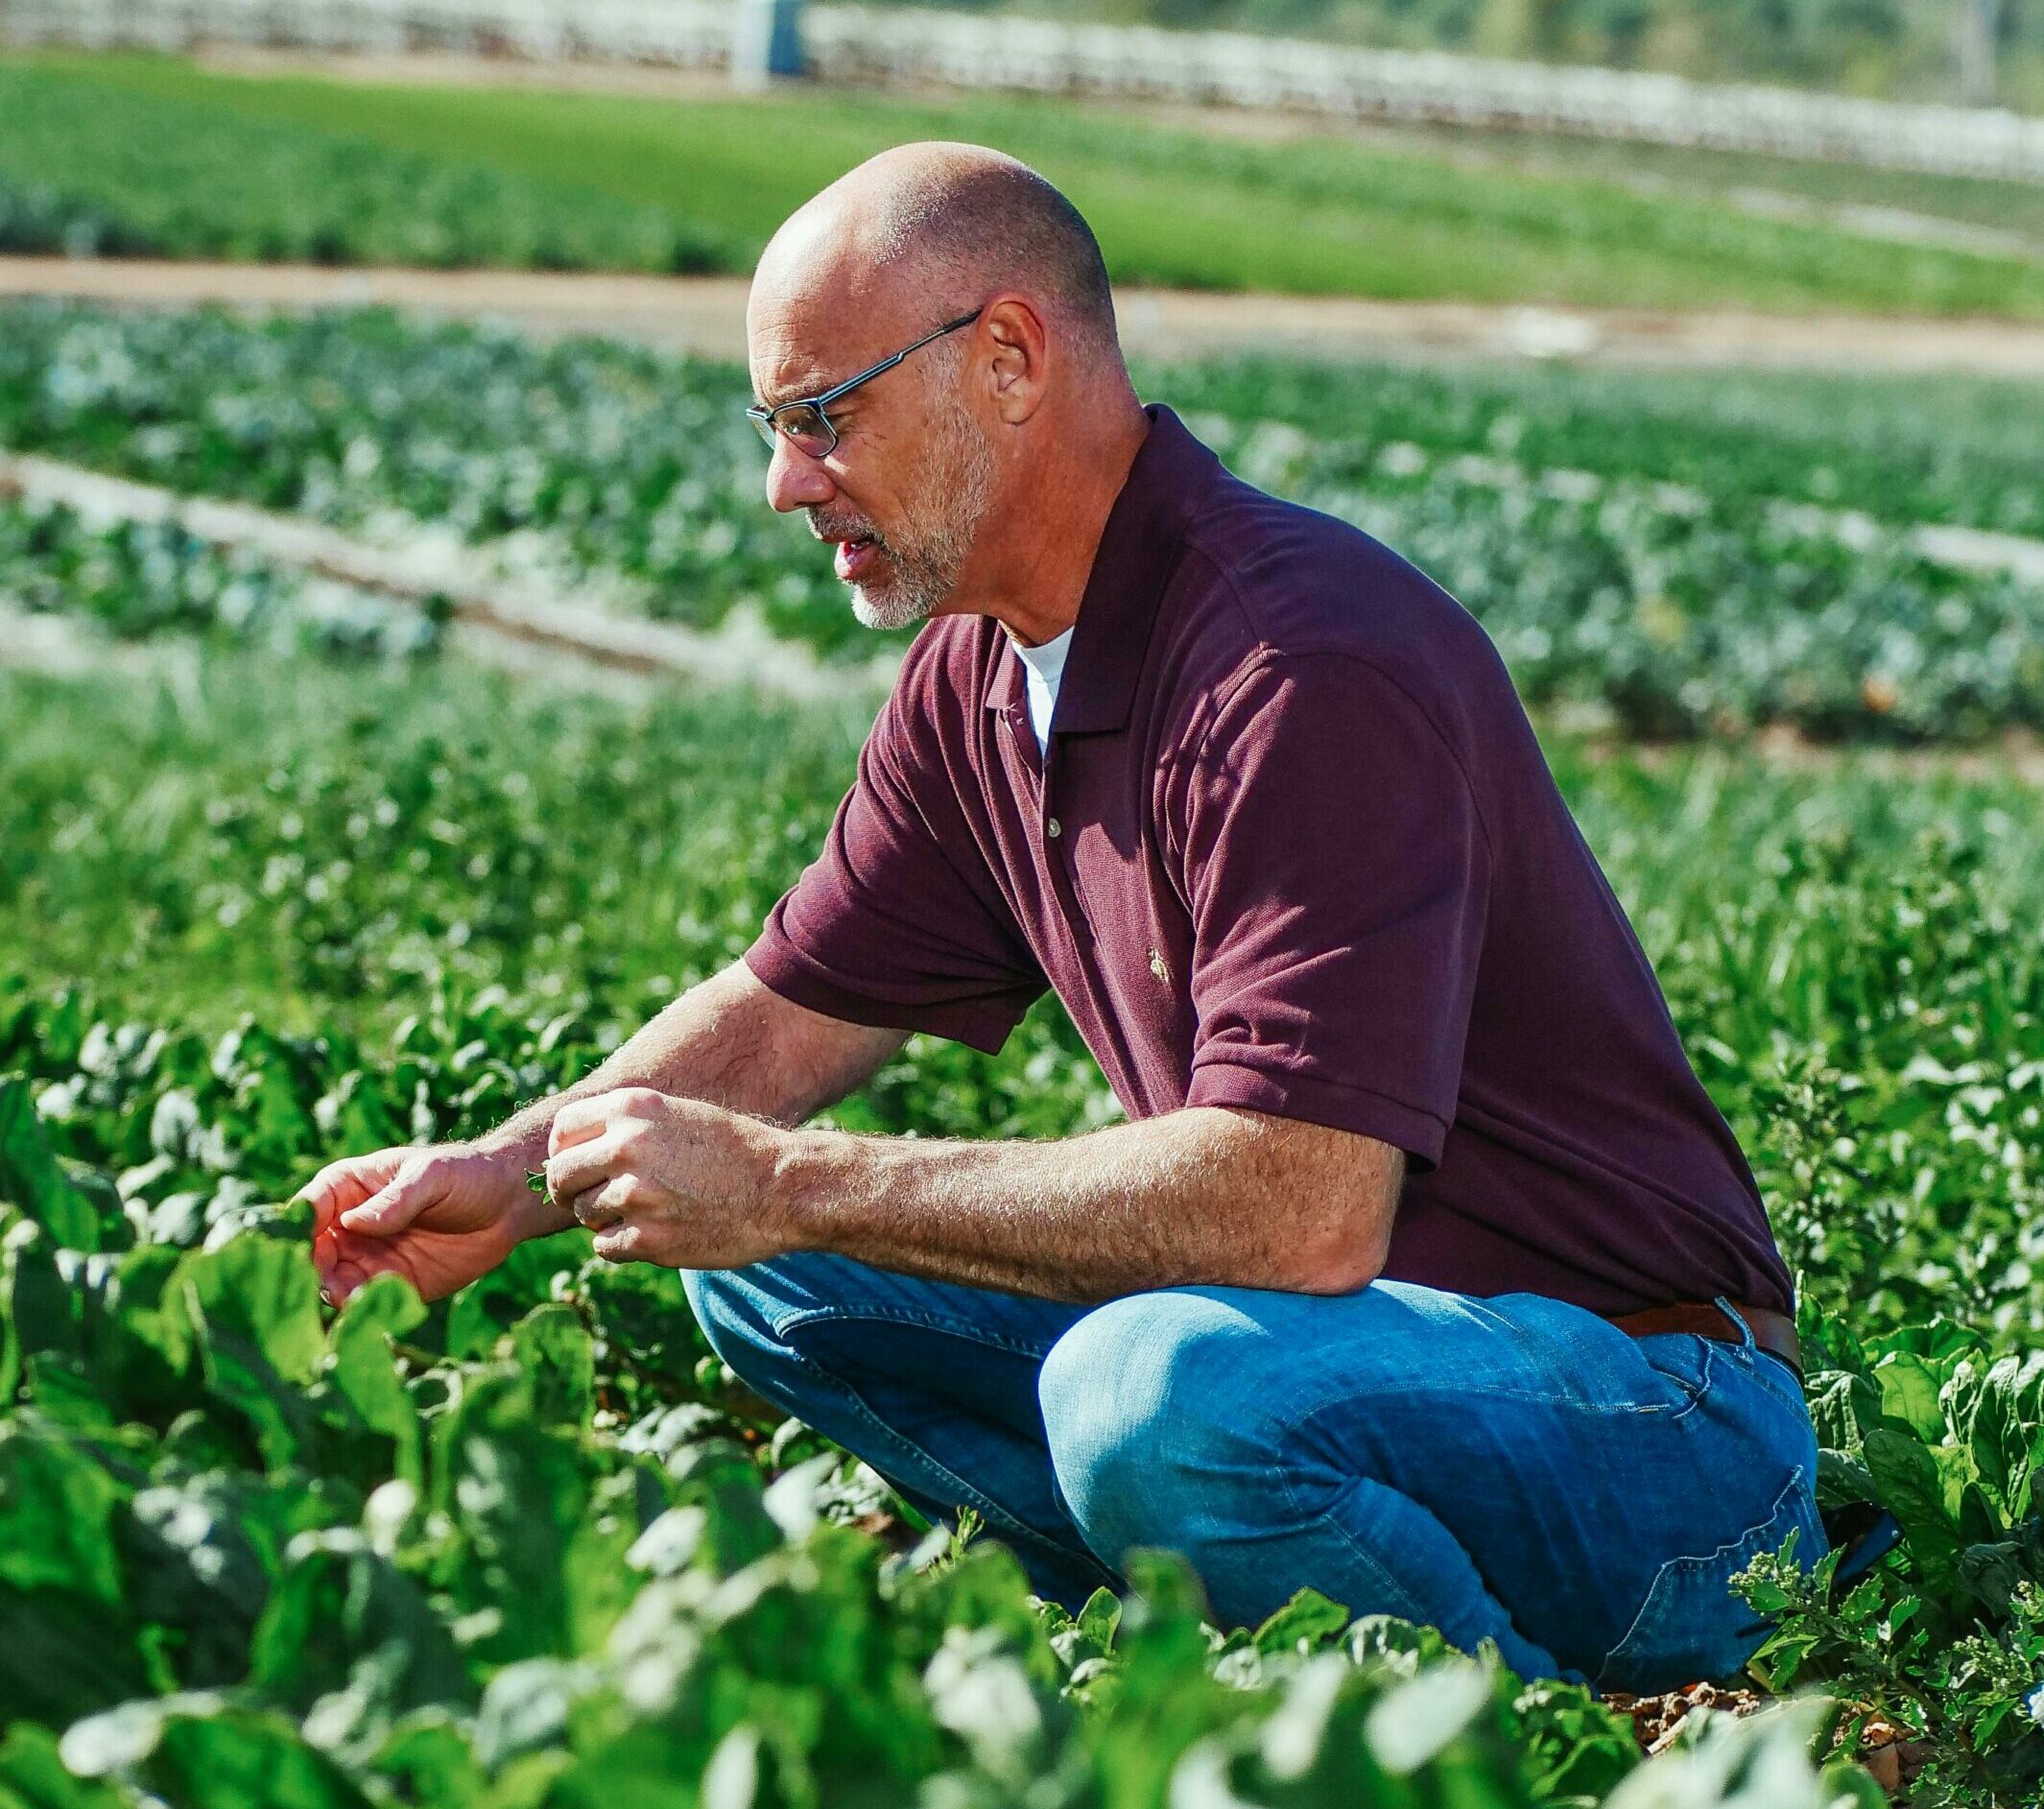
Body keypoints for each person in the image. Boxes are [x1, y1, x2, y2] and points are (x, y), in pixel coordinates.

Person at [303, 141, 1825, 1693]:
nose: (785, 481)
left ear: (1010, 358)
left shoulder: (1296, 668)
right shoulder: (980, 679)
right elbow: (782, 1013)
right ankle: (1197, 1643)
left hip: (1656, 1429)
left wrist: (789, 1174)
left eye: (825, 414)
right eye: (772, 426)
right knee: (761, 1264)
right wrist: (509, 1175)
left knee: (1146, 1392)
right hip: (1352, 1371)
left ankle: (1523, 1745)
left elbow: (1298, 1210)